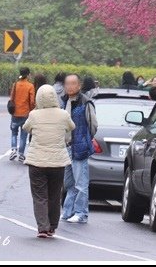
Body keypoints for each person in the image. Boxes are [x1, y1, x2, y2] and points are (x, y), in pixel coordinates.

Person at [24, 84, 75, 238]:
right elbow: (72, 127)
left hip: (36, 162)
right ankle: (52, 226)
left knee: (39, 196)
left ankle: (42, 227)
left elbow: (26, 128)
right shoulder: (63, 114)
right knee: (54, 195)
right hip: (57, 163)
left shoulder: (34, 115)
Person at [61, 74, 98, 224]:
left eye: (73, 84)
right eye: (67, 84)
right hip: (66, 148)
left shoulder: (86, 102)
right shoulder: (64, 102)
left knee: (81, 184)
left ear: (79, 85)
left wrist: (85, 139)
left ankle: (81, 213)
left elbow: (93, 125)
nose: (70, 86)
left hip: (80, 147)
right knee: (69, 183)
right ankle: (68, 211)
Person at [9, 67, 36, 163]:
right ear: (28, 75)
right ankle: (21, 154)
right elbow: (32, 101)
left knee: (14, 132)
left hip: (15, 113)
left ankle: (13, 150)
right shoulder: (30, 86)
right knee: (23, 135)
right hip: (25, 114)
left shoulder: (15, 84)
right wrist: (32, 110)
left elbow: (11, 98)